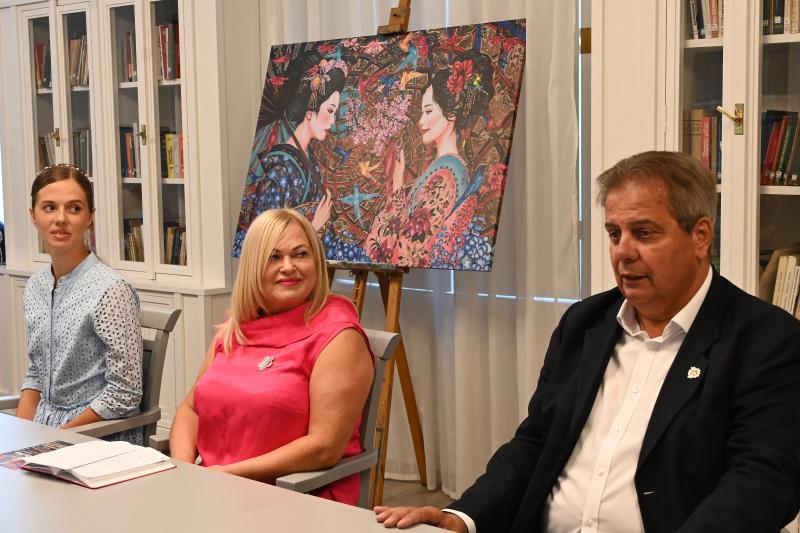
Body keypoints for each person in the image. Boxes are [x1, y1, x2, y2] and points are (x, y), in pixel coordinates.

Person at [375, 151, 800, 532]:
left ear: (700, 236)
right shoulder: (584, 324)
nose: (623, 252)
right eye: (614, 233)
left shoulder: (766, 341)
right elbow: (536, 441)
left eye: (644, 233)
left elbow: (763, 480)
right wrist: (463, 516)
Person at [170, 208, 374, 505]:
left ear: (316, 262)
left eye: (300, 254)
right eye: (274, 257)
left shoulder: (339, 336)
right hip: (214, 488)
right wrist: (184, 472)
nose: (288, 267)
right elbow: (190, 409)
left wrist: (221, 476)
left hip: (295, 497)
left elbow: (324, 448)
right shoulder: (235, 329)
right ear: (253, 266)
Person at [17, 164, 143, 444]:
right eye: (49, 207)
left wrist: (53, 440)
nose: (61, 218)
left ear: (90, 218)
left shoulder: (111, 290)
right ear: (33, 216)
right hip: (44, 431)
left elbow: (125, 393)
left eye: (74, 208)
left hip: (97, 436)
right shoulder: (36, 286)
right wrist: (19, 439)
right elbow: (37, 373)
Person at [366, 49, 494, 268]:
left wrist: (397, 187)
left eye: (428, 111)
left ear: (451, 114)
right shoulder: (443, 167)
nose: (421, 121)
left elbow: (400, 255)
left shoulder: (445, 177)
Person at [232, 48, 348, 256]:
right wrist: (313, 227)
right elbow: (266, 240)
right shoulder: (279, 169)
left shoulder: (310, 162)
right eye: (330, 110)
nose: (332, 121)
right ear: (310, 111)